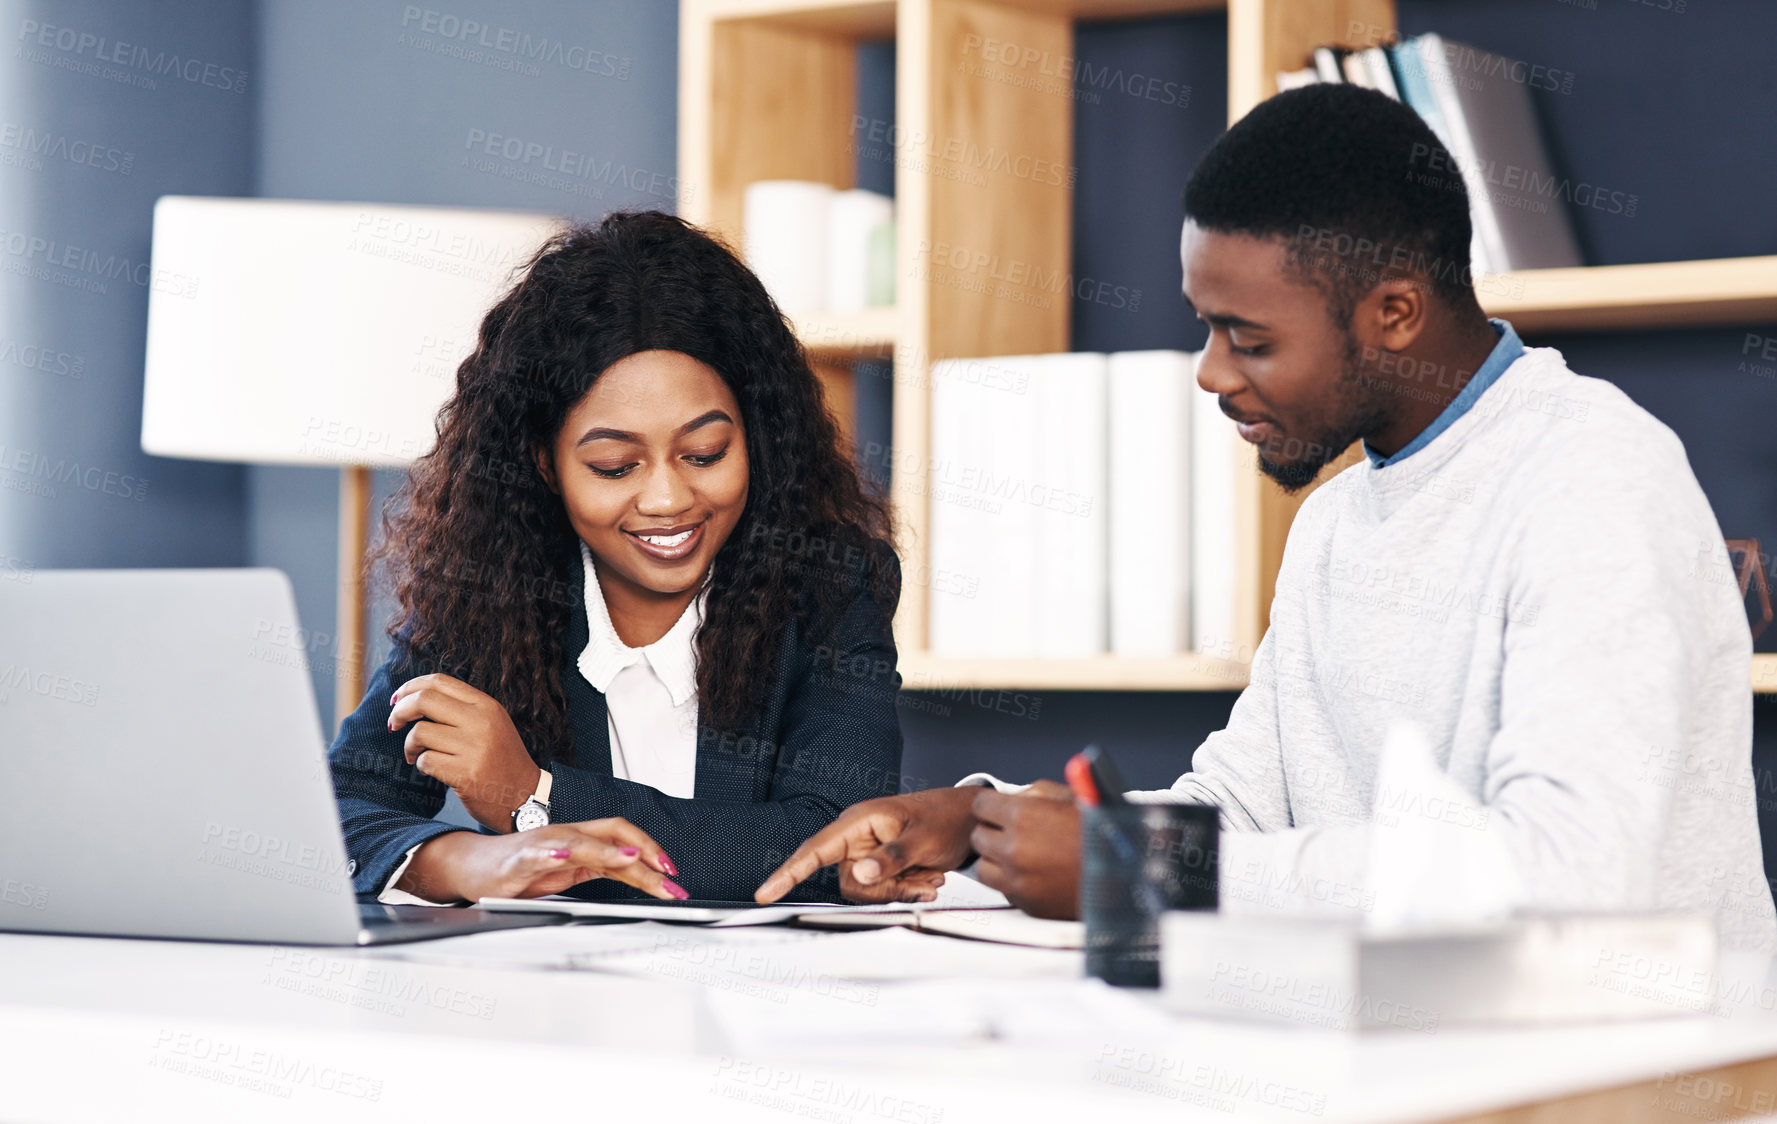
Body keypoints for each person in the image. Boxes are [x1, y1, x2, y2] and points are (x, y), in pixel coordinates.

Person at [756, 84, 1777, 950]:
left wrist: (1146, 869)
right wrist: (981, 826)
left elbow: (1570, 871)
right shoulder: (1338, 518)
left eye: (1246, 338)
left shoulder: (1593, 479)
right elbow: (1242, 813)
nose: (1209, 373)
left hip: (1648, 1071)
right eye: (1207, 327)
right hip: (1426, 1049)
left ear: (1393, 313)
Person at [330, 210, 903, 906]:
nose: (666, 499)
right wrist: (469, 865)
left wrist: (534, 796)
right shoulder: (487, 590)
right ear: (545, 464)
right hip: (560, 1003)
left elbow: (834, 840)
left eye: (704, 454)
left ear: (757, 438)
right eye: (613, 465)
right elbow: (336, 813)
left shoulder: (831, 584)